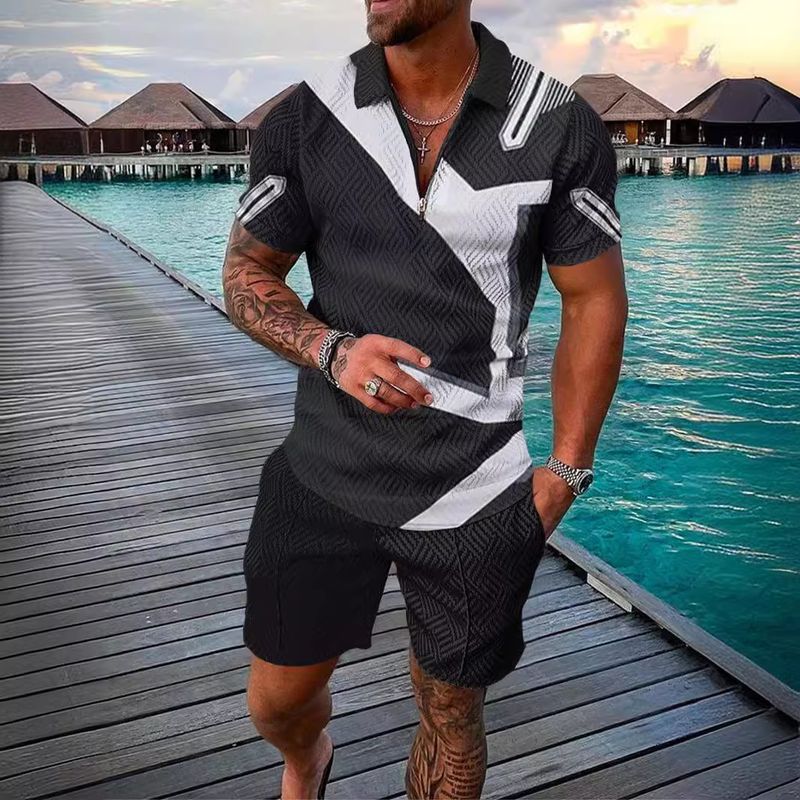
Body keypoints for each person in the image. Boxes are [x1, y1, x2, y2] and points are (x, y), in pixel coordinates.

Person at [222, 1, 627, 797]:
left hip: (474, 486)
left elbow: (593, 299)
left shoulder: (557, 123)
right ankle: (308, 758)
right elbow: (246, 271)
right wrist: (332, 351)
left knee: (451, 715)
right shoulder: (308, 117)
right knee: (276, 703)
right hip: (324, 470)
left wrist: (567, 469)